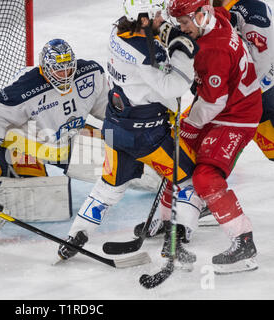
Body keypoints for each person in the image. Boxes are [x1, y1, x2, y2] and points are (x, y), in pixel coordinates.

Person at [57, 0, 205, 265]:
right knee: (189, 180)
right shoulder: (145, 54)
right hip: (148, 138)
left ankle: (75, 236)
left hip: (116, 130)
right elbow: (173, 87)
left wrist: (162, 38)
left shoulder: (118, 32)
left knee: (108, 188)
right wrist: (182, 52)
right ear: (144, 19)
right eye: (158, 14)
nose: (163, 18)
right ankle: (180, 234)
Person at [0, 39, 110, 219]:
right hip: (25, 147)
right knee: (42, 200)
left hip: (67, 138)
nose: (64, 75)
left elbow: (109, 110)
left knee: (121, 160)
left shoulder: (90, 73)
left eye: (68, 68)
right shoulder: (25, 87)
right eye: (58, 69)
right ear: (45, 67)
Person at [168, 0, 263, 273]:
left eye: (185, 22)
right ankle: (177, 225)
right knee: (178, 154)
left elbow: (212, 102)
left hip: (236, 115)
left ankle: (243, 240)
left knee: (205, 175)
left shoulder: (215, 50)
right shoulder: (217, 17)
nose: (182, 28)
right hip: (225, 103)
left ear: (201, 15)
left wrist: (190, 126)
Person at [214, 0, 274, 161]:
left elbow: (262, 60)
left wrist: (241, 95)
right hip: (244, 94)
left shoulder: (251, 9)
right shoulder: (219, 10)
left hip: (263, 93)